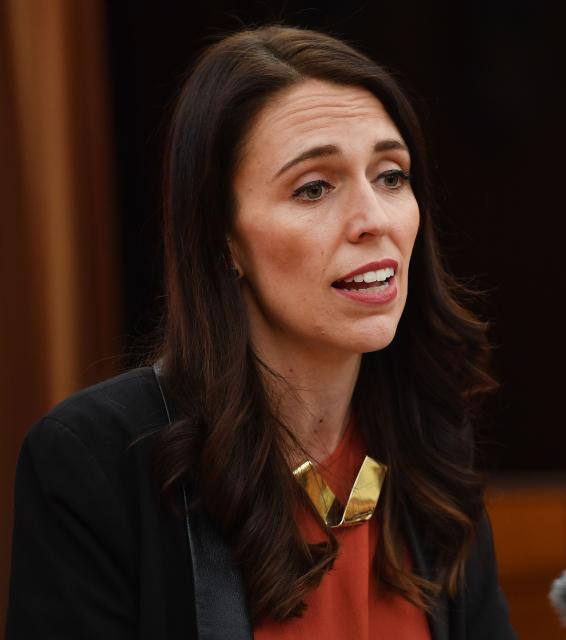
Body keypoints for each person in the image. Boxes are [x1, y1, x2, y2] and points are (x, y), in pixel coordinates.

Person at [6, 25, 515, 640]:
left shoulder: (429, 447)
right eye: (314, 188)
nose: (373, 220)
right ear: (223, 239)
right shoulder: (96, 460)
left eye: (390, 176)